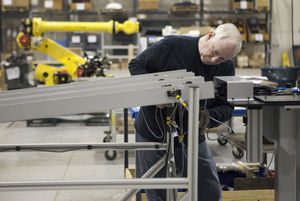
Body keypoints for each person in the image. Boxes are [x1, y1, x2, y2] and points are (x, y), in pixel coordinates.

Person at [128, 23, 242, 201]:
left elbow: (226, 107)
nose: (214, 60)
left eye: (221, 59)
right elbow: (136, 65)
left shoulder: (226, 67)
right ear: (210, 35)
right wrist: (154, 92)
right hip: (153, 130)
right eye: (214, 52)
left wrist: (208, 117)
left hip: (192, 134)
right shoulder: (172, 46)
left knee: (209, 189)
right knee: (157, 191)